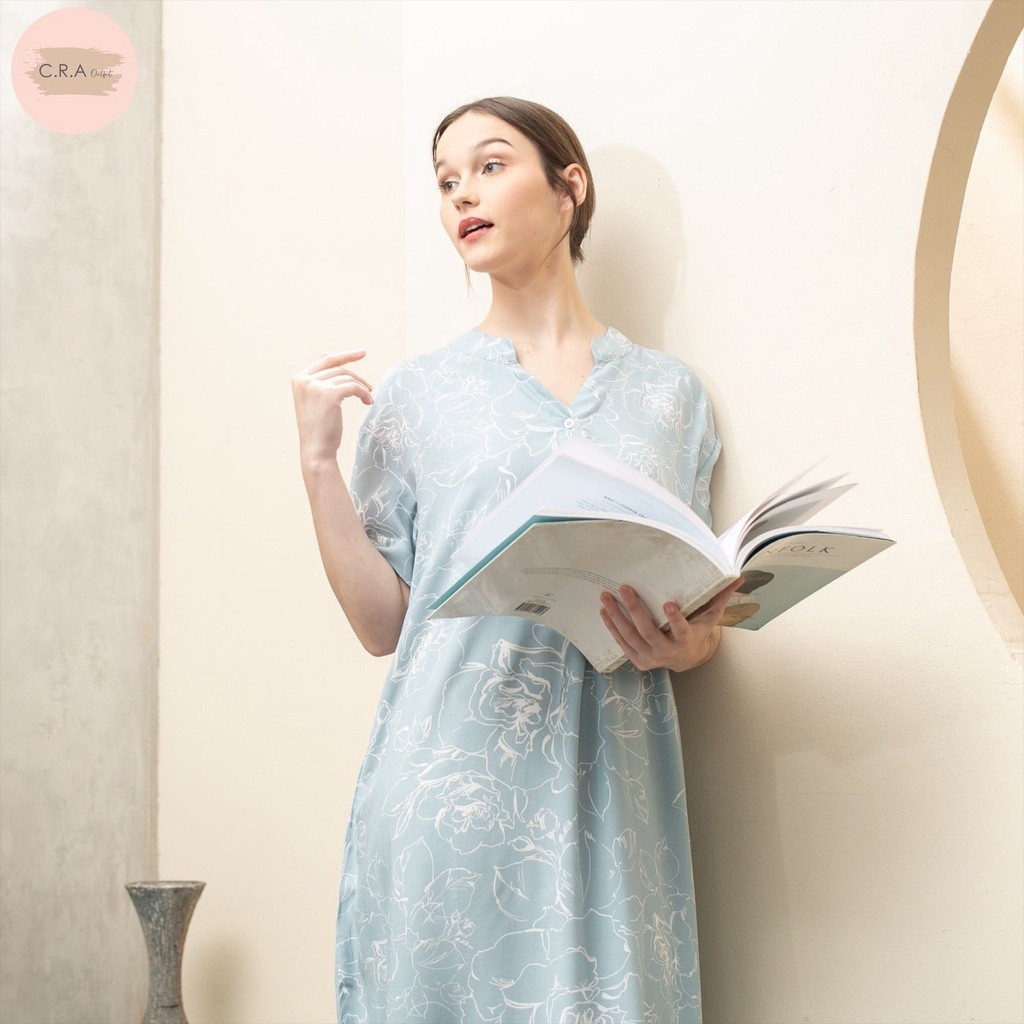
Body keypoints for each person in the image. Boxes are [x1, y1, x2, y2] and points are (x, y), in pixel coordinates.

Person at [291, 96, 741, 1024]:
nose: (462, 194)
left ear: (569, 189)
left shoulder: (671, 398)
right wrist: (318, 463)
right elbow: (381, 625)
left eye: (490, 166)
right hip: (452, 794)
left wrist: (691, 646)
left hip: (617, 802)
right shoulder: (417, 394)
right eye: (446, 181)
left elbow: (697, 603)